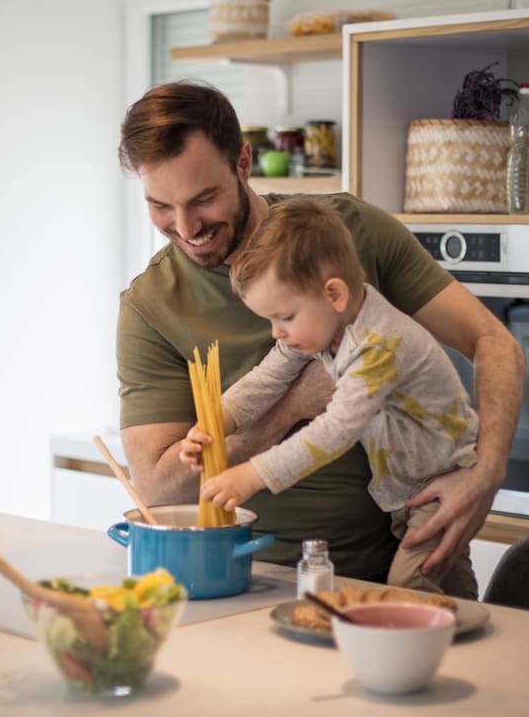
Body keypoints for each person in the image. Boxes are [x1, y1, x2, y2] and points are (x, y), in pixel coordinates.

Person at [115, 81, 523, 598]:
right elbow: (156, 487)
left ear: (243, 162)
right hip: (242, 579)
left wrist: (485, 472)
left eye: (205, 199)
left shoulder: (346, 235)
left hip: (385, 564)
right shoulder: (150, 305)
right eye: (160, 207)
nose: (186, 227)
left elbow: (495, 343)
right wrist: (287, 409)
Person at [179, 197, 481, 594]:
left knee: (409, 589)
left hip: (441, 485)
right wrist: (215, 422)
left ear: (334, 294)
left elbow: (334, 432)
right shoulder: (329, 323)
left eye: (284, 317)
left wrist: (252, 474)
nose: (277, 332)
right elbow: (267, 378)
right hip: (407, 489)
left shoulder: (376, 345)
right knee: (449, 586)